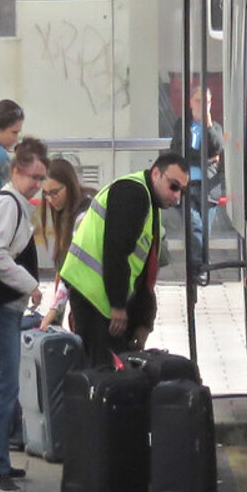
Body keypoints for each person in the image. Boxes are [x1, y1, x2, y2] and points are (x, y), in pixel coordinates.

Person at [59, 153, 190, 367]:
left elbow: (144, 273)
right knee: (105, 372)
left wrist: (143, 322)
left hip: (103, 300)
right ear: (156, 174)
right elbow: (116, 251)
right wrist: (118, 306)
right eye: (173, 186)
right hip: (95, 299)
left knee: (117, 373)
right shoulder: (133, 194)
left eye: (182, 191)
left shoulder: (148, 201)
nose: (177, 197)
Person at [0, 137, 47, 492]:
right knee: (2, 386)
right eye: (33, 177)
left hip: (4, 306)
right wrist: (29, 284)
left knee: (5, 386)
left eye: (41, 178)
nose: (37, 185)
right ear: (16, 171)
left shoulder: (14, 202)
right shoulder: (8, 204)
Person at [169, 87, 224, 281]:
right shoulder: (182, 125)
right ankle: (199, 269)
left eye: (206, 102)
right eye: (199, 101)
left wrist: (207, 127)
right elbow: (178, 150)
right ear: (191, 103)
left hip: (208, 187)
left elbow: (216, 147)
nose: (202, 105)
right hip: (186, 185)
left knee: (204, 230)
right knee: (194, 226)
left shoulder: (215, 127)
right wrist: (205, 158)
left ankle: (199, 268)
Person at [37, 158, 90, 331]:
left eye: (54, 192)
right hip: (81, 301)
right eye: (45, 194)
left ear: (70, 186)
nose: (50, 199)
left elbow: (71, 267)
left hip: (94, 304)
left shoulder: (84, 215)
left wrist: (53, 312)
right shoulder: (65, 213)